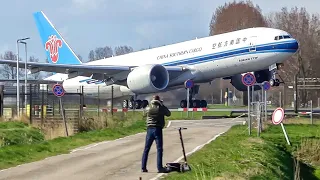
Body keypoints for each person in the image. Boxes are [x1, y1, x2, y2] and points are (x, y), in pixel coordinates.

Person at [141, 95, 171, 173]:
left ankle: (143, 167)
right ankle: (159, 168)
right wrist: (162, 104)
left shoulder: (148, 108)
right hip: (158, 129)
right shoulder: (161, 108)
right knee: (159, 149)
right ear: (159, 100)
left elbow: (144, 114)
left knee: (146, 149)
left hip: (149, 129)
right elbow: (168, 113)